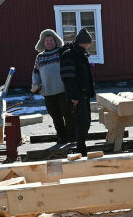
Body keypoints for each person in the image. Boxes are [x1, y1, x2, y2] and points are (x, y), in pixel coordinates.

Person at [31, 29, 75, 144]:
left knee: (68, 114)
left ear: (56, 41)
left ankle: (72, 136)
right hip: (48, 91)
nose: (49, 42)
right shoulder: (40, 57)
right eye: (46, 41)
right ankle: (61, 137)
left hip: (62, 90)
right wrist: (35, 85)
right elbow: (36, 72)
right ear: (43, 43)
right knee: (55, 116)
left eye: (51, 40)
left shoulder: (61, 52)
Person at [60, 27, 96, 157]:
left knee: (86, 122)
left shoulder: (81, 54)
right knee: (82, 123)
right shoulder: (69, 55)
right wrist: (74, 97)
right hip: (77, 96)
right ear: (83, 42)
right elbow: (68, 78)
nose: (88, 45)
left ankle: (81, 147)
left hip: (84, 94)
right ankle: (81, 149)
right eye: (87, 42)